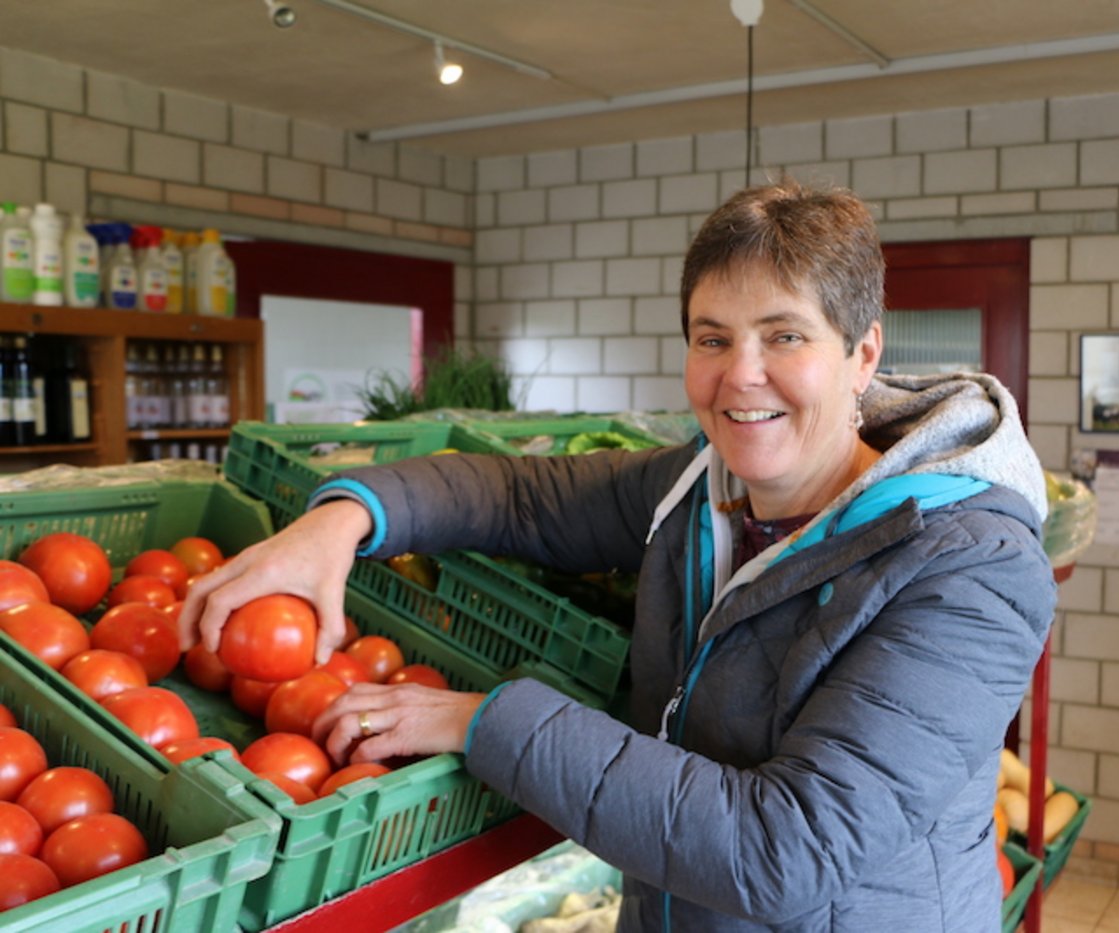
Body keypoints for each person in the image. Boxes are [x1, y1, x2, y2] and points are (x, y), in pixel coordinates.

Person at [179, 180, 1057, 932]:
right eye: (712, 337)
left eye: (784, 336)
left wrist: (482, 721)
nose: (740, 374)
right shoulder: (698, 490)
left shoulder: (967, 565)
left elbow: (787, 847)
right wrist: (343, 518)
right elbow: (516, 496)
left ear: (862, 353)